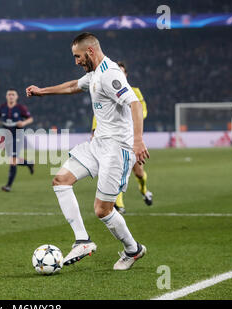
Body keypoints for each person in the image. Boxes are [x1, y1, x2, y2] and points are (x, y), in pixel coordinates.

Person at [26, 32, 149, 270]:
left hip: (118, 148)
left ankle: (132, 250)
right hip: (98, 144)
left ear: (90, 51)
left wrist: (138, 140)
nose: (76, 61)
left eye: (77, 56)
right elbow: (73, 85)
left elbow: (134, 102)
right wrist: (43, 91)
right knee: (61, 180)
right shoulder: (95, 73)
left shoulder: (110, 74)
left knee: (102, 210)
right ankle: (83, 240)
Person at [91, 61, 153, 214]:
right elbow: (98, 116)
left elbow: (142, 111)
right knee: (116, 172)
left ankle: (144, 191)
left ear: (125, 75)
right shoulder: (105, 91)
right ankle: (119, 204)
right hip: (114, 140)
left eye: (122, 72)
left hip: (131, 138)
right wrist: (94, 133)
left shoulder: (134, 92)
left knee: (138, 172)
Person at [0, 88, 34, 192]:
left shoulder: (20, 108)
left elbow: (30, 118)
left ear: (16, 97)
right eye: (9, 94)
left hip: (18, 135)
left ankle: (8, 186)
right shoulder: (2, 107)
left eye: (13, 95)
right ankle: (28, 163)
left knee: (13, 160)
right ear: (6, 96)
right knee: (11, 159)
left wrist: (23, 123)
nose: (11, 96)